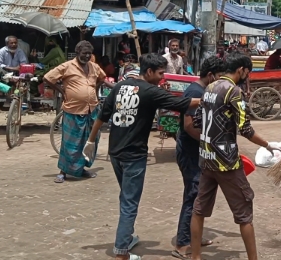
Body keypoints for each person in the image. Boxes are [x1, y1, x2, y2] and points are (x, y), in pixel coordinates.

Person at [83, 54, 203, 260]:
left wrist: (91, 141)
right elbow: (183, 104)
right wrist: (212, 98)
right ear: (148, 72)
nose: (163, 77)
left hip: (116, 152)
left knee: (126, 197)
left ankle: (126, 238)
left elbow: (102, 115)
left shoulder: (120, 86)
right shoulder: (151, 91)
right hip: (133, 156)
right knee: (130, 202)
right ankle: (121, 252)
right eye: (160, 73)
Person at [189, 53, 281, 260]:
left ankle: (195, 256)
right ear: (241, 70)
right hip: (227, 163)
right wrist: (269, 145)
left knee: (199, 210)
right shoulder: (234, 91)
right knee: (244, 214)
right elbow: (246, 130)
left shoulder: (209, 88)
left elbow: (198, 121)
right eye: (247, 73)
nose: (246, 77)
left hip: (206, 159)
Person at [172, 57, 226, 259]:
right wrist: (208, 142)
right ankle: (183, 243)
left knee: (199, 194)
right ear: (211, 75)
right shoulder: (196, 92)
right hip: (190, 150)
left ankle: (193, 237)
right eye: (219, 77)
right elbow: (188, 126)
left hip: (197, 151)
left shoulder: (203, 91)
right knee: (193, 195)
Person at [43, 41, 106, 183]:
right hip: (73, 110)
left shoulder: (94, 67)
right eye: (84, 53)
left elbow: (102, 78)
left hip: (92, 110)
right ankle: (63, 172)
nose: (87, 56)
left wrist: (94, 90)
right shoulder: (67, 66)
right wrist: (62, 91)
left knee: (90, 141)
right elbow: (47, 78)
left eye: (89, 54)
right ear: (77, 53)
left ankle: (81, 169)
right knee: (70, 143)